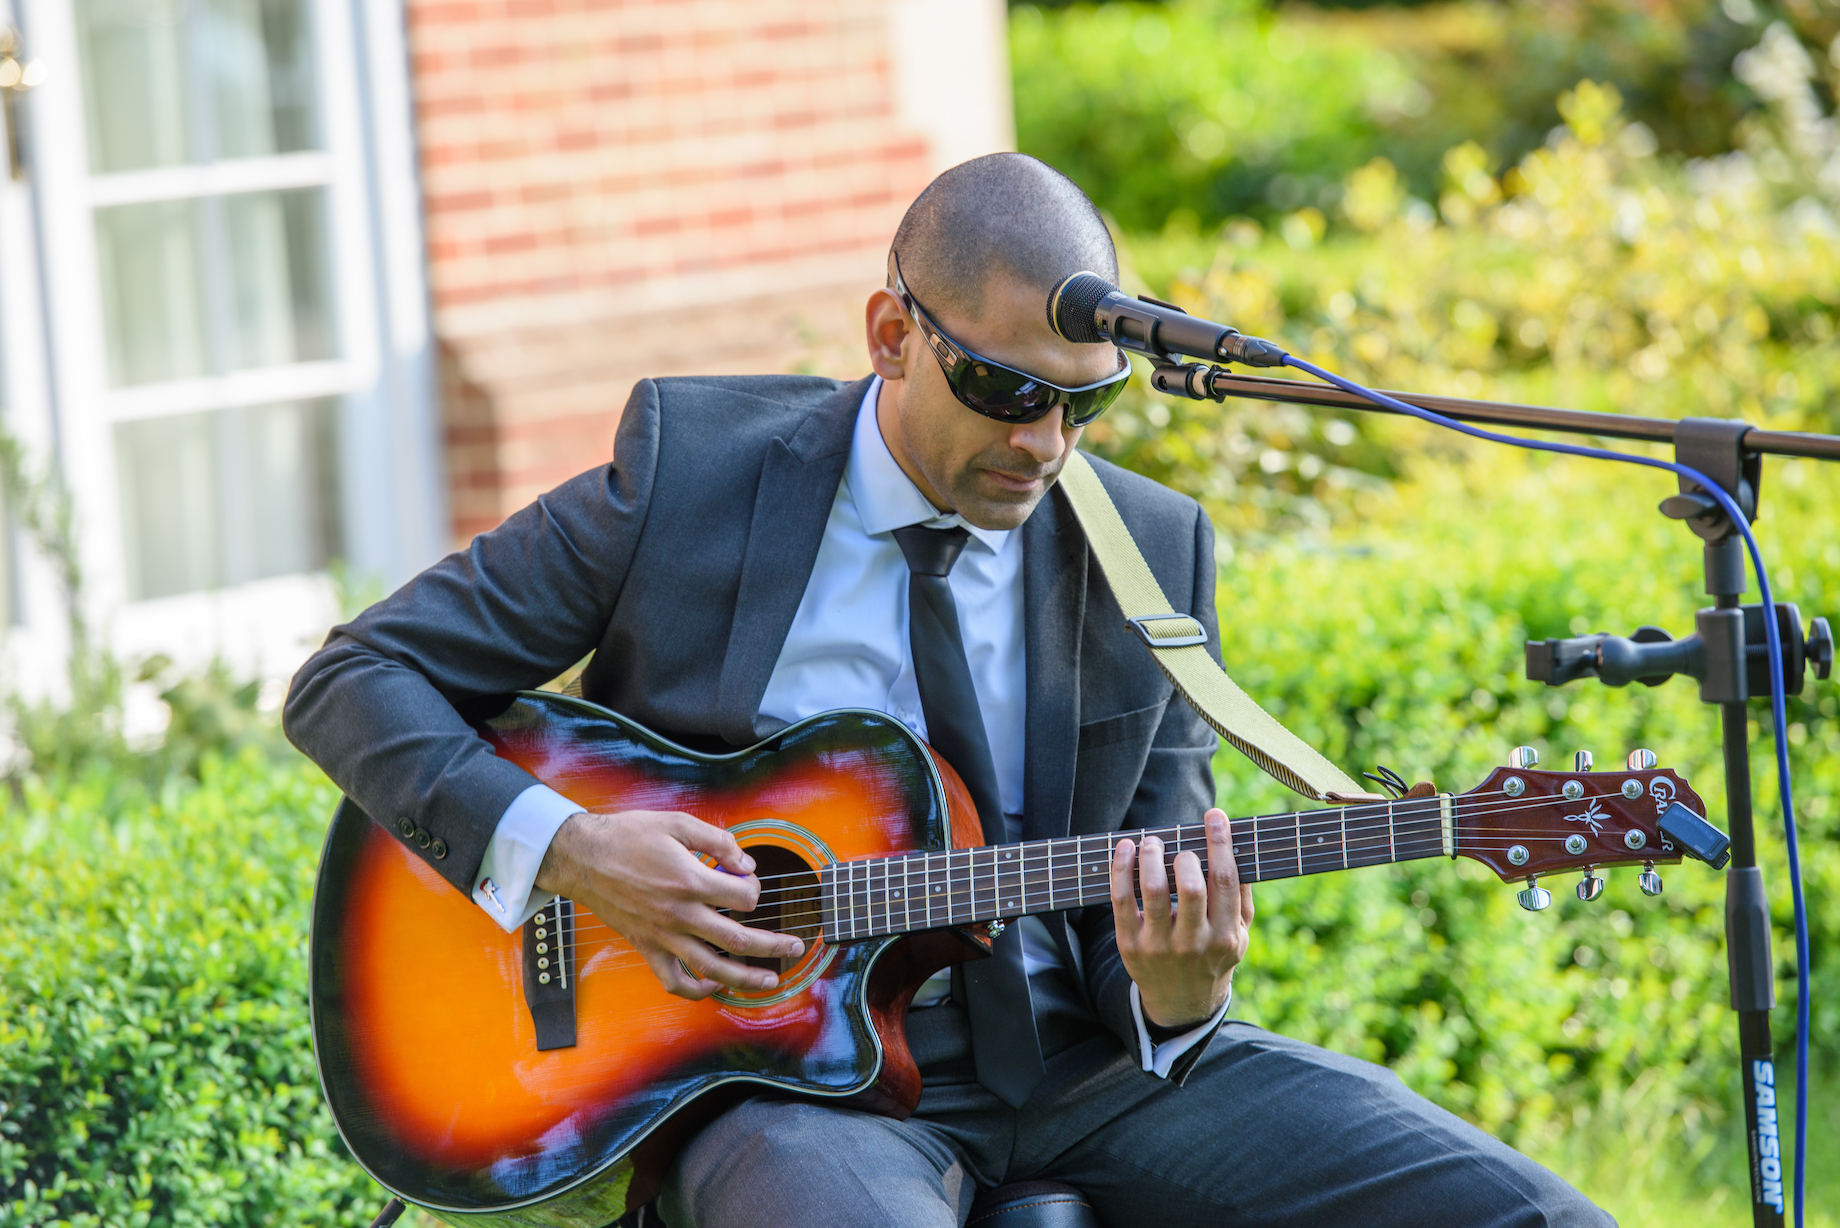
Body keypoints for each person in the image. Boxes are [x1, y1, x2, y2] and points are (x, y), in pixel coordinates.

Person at [284, 153, 1613, 1228]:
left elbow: (1152, 875)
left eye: (1085, 406)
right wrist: (574, 850)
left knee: (1533, 1217)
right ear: (892, 336)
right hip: (790, 1095)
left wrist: (1181, 992)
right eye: (1003, 391)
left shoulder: (1151, 553)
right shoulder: (692, 476)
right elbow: (354, 677)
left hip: (1089, 1071)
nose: (1044, 445)